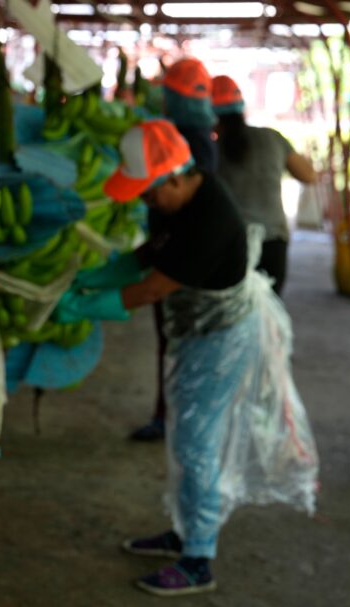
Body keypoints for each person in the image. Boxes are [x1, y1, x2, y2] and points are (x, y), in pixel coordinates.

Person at [54, 120, 318, 596]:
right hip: (196, 332)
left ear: (175, 178)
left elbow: (153, 288)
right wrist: (100, 275)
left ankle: (199, 557)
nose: (146, 203)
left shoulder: (210, 217)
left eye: (150, 194)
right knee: (185, 434)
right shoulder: (175, 203)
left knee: (199, 442)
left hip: (224, 339)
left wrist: (86, 305)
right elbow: (150, 254)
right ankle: (183, 531)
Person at [131, 58, 218, 443]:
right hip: (177, 254)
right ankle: (174, 416)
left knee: (176, 343)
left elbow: (177, 217)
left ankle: (170, 417)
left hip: (181, 261)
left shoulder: (185, 145)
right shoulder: (202, 136)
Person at [212, 75, 317, 295]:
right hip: (273, 241)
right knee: (269, 314)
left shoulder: (210, 150)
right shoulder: (272, 138)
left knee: (231, 315)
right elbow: (308, 176)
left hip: (230, 245)